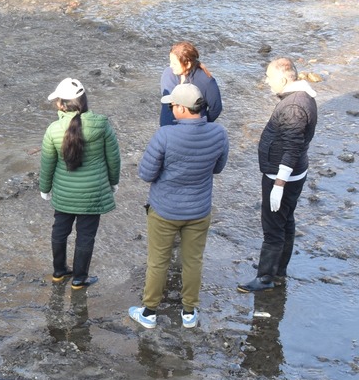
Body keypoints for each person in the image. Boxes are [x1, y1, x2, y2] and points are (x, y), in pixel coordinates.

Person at [129, 83, 229, 329]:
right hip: (199, 210)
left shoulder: (165, 135)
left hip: (164, 210)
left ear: (184, 109)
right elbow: (218, 168)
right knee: (193, 261)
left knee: (157, 262)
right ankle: (189, 313)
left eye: (173, 105)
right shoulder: (219, 133)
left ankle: (149, 312)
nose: (171, 109)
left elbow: (146, 173)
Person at [237, 57, 318, 292]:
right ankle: (279, 270)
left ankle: (265, 278)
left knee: (273, 227)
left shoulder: (293, 107)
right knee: (286, 221)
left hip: (282, 176)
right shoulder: (303, 98)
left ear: (283, 78)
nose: (267, 81)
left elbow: (292, 146)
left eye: (269, 77)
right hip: (295, 172)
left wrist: (279, 184)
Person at [39, 78, 120, 289]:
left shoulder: (53, 129)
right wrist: (113, 183)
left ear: (61, 104)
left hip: (64, 194)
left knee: (60, 230)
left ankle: (58, 271)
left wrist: (45, 189)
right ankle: (79, 278)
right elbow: (113, 158)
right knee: (86, 235)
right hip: (93, 194)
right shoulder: (101, 124)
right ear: (84, 100)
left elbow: (47, 163)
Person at [160, 42, 222, 127]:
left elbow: (216, 108)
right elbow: (166, 104)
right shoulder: (168, 75)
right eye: (170, 62)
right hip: (167, 129)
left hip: (193, 130)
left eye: (175, 64)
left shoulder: (206, 81)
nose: (171, 66)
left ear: (188, 64)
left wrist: (203, 124)